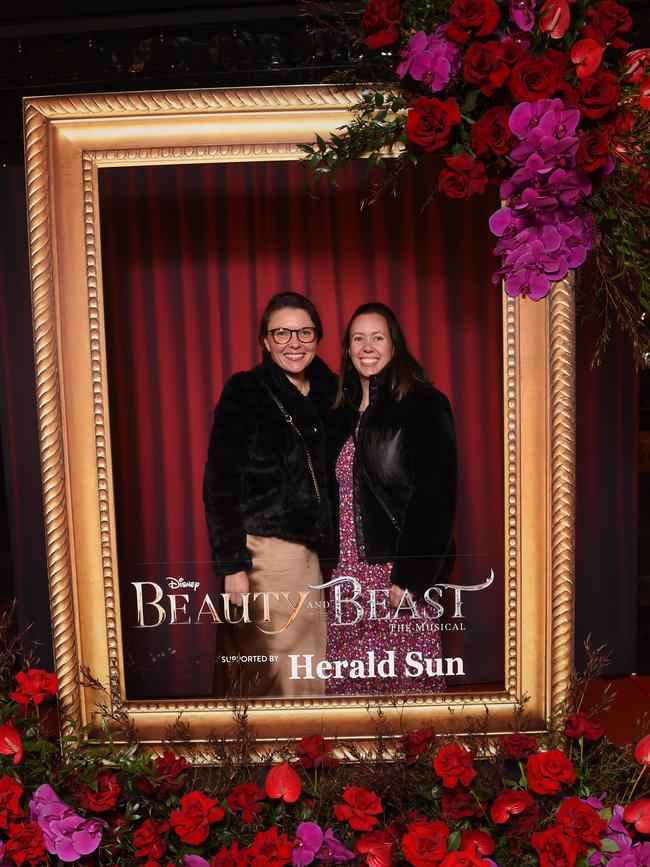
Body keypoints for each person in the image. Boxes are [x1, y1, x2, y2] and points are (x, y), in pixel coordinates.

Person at [203, 292, 336, 698]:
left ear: (317, 338)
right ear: (264, 340)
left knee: (307, 670)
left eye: (304, 332)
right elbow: (219, 482)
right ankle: (259, 760)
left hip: (310, 558)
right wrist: (233, 566)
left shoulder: (330, 394)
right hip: (261, 556)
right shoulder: (247, 390)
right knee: (264, 675)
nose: (294, 342)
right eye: (282, 332)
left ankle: (305, 758)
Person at [325, 302, 457, 696]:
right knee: (350, 690)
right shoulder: (340, 414)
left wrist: (411, 575)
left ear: (394, 346)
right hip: (348, 576)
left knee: (408, 691)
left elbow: (436, 495)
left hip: (396, 573)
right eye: (358, 339)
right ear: (347, 350)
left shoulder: (424, 404)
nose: (368, 347)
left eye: (377, 337)